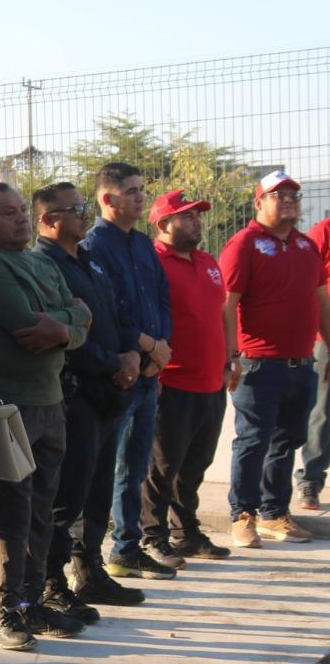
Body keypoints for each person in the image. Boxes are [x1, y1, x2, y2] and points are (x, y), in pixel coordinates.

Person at [0, 183, 92, 651]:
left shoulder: (40, 262)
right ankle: (5, 606)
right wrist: (67, 323)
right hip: (9, 408)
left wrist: (64, 327)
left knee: (42, 508)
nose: (19, 219)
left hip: (51, 400)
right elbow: (25, 324)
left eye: (21, 211)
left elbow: (82, 316)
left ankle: (32, 598)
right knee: (8, 511)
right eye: (7, 213)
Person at [31, 184, 146, 617]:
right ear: (47, 219)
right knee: (66, 494)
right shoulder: (44, 265)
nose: (83, 214)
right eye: (74, 209)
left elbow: (117, 312)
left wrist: (132, 351)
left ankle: (89, 569)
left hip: (110, 391)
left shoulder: (89, 260)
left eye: (83, 207)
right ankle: (51, 581)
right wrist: (112, 361)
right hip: (76, 392)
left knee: (96, 491)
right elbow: (66, 335)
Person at [221, 171, 330, 546]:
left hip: (301, 364)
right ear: (259, 203)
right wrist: (231, 355)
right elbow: (227, 303)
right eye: (278, 194)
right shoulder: (243, 244)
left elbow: (321, 300)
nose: (288, 200)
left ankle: (274, 513)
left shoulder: (305, 246)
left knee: (288, 440)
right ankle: (243, 515)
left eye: (293, 195)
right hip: (257, 364)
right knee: (253, 440)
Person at [80, 163, 177, 579]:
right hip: (118, 375)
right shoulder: (93, 246)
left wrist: (160, 350)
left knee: (136, 467)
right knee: (103, 469)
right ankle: (84, 560)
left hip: (149, 372)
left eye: (142, 188)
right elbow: (110, 309)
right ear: (108, 198)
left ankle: (127, 547)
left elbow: (161, 298)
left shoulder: (141, 245)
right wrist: (143, 346)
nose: (141, 197)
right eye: (132, 191)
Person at [141, 191, 235, 560]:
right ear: (164, 224)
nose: (197, 221)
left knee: (196, 466)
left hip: (211, 382)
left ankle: (187, 533)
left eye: (198, 216)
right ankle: (152, 535)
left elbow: (223, 312)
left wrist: (231, 358)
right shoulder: (152, 264)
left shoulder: (208, 261)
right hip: (173, 383)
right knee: (162, 468)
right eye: (187, 216)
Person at [295, 210, 330, 511]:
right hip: (326, 339)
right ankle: (310, 480)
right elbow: (307, 281)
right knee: (322, 411)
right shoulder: (323, 232)